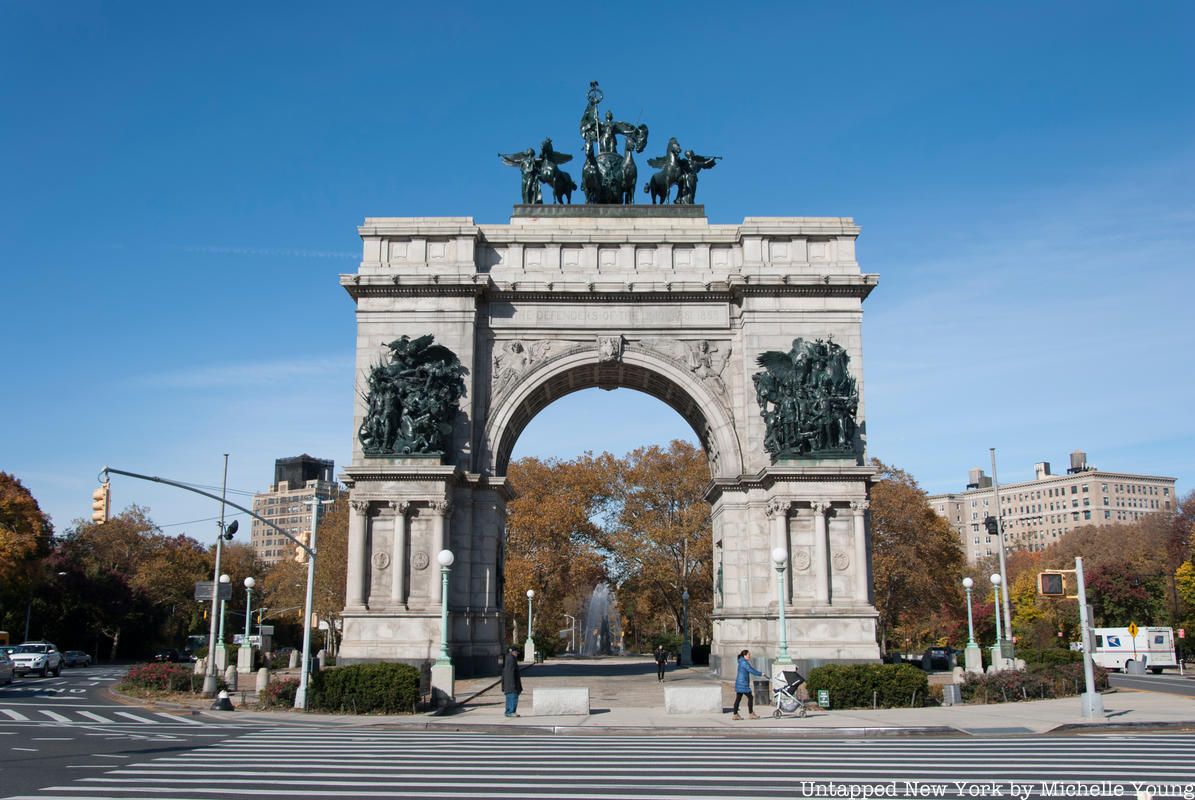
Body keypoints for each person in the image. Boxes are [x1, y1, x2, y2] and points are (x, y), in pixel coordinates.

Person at [732, 648, 763, 720]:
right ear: (745, 655)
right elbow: (751, 670)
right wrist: (760, 674)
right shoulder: (744, 663)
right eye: (749, 654)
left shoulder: (741, 661)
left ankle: (735, 714)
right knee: (750, 697)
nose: (749, 656)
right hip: (743, 683)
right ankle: (751, 713)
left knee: (738, 698)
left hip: (739, 682)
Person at [502, 645, 523, 717]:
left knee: (509, 697)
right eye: (516, 652)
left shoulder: (508, 658)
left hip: (508, 683)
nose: (517, 654)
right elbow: (511, 672)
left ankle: (508, 711)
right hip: (511, 683)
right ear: (512, 652)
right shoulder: (511, 659)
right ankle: (511, 711)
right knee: (513, 697)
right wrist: (513, 684)